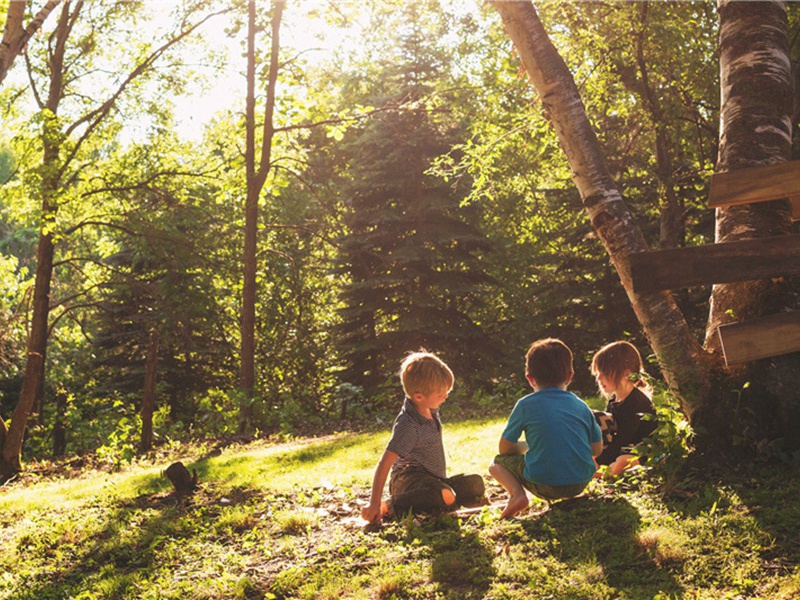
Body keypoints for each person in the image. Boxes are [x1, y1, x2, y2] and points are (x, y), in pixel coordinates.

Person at [361, 351, 485, 525]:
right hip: (407, 480)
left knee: (475, 483)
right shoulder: (408, 424)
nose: (446, 397)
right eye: (441, 394)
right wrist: (373, 502)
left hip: (433, 479)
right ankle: (389, 506)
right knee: (445, 495)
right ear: (418, 396)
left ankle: (441, 500)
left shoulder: (430, 408)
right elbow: (385, 463)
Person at [489, 338, 603, 519]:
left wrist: (525, 447)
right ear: (570, 375)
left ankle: (517, 496)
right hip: (580, 482)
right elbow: (597, 449)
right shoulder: (582, 406)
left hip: (545, 485)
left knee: (496, 464)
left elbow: (504, 449)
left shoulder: (525, 405)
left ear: (530, 378)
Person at [591, 341, 657, 478]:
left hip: (641, 450)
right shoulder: (613, 401)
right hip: (620, 448)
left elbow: (624, 438)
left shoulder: (637, 403)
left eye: (604, 373)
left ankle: (600, 473)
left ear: (626, 374)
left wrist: (600, 460)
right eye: (598, 373)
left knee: (623, 462)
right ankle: (602, 470)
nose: (598, 378)